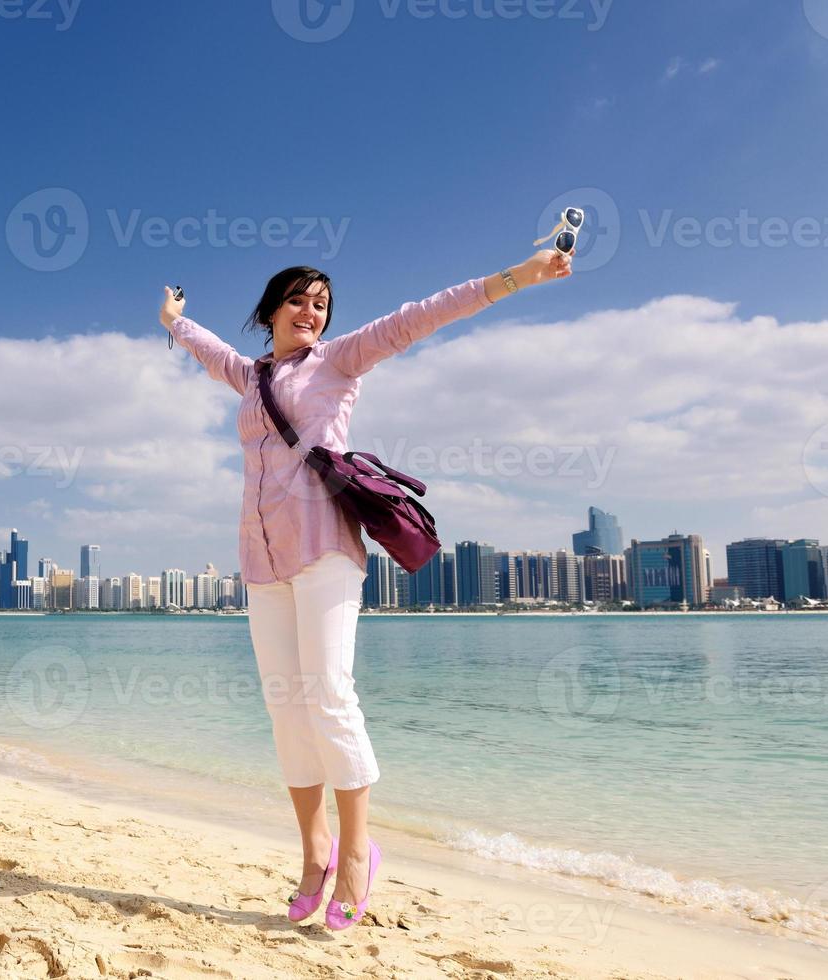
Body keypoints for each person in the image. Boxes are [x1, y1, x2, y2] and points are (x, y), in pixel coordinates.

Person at [158, 250, 574, 930]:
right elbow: (208, 349)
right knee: (286, 709)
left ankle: (357, 852)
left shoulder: (340, 361)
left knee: (328, 693)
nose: (311, 310)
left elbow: (426, 315)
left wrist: (520, 275)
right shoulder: (250, 375)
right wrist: (175, 320)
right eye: (298, 299)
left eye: (320, 302)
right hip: (262, 561)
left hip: (325, 549)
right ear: (271, 311)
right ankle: (313, 851)